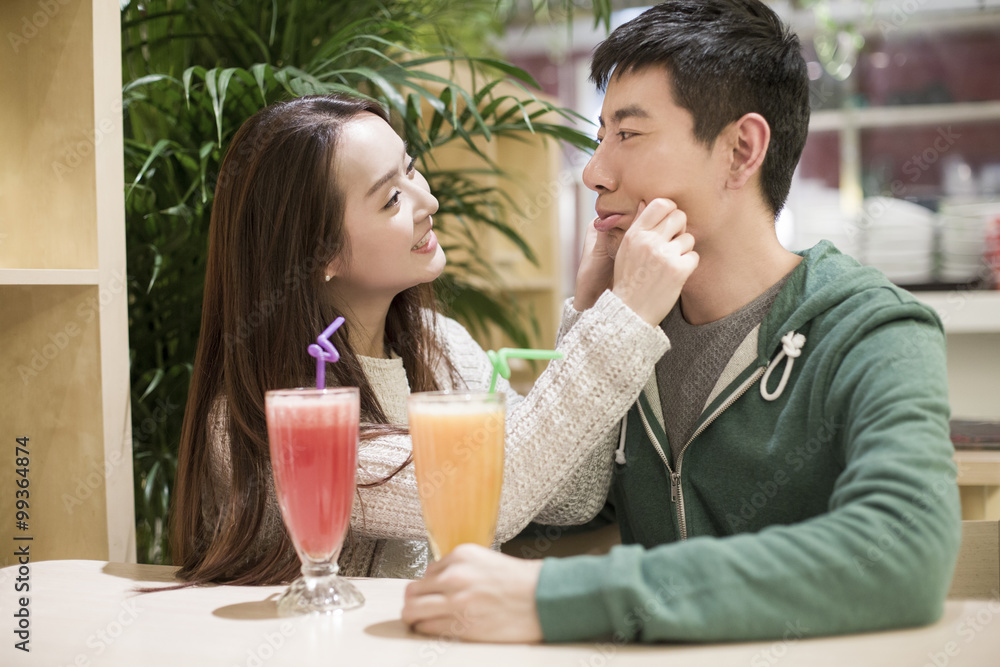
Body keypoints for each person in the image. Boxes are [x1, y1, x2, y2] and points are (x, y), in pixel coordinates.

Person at [401, 0, 961, 643]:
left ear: (740, 150)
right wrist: (589, 326)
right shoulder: (633, 331)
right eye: (600, 136)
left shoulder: (871, 331)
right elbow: (549, 515)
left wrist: (561, 598)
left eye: (629, 135)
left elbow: (902, 552)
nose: (593, 172)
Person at [171, 94, 696, 585]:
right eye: (391, 198)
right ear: (321, 253)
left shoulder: (440, 346)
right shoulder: (276, 424)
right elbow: (493, 492)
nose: (430, 200)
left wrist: (588, 309)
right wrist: (626, 316)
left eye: (412, 167)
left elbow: (568, 498)